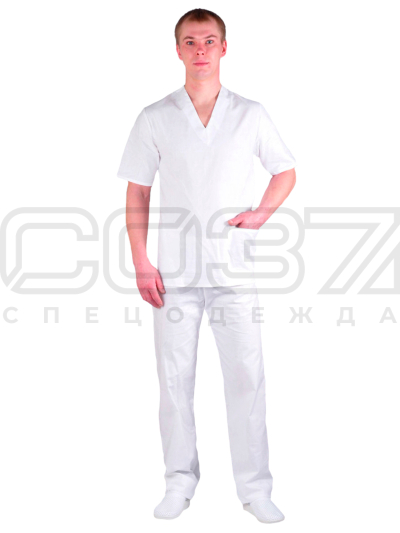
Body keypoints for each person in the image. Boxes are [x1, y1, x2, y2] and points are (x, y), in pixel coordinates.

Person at [116, 8, 296, 524]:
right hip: (172, 274)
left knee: (247, 378)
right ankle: (178, 481)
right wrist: (141, 260)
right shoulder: (155, 116)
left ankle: (255, 488)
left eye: (209, 40)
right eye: (191, 41)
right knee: (174, 382)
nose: (200, 50)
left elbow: (285, 171)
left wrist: (260, 214)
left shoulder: (250, 114)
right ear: (177, 50)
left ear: (224, 48)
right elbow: (138, 192)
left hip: (233, 270)